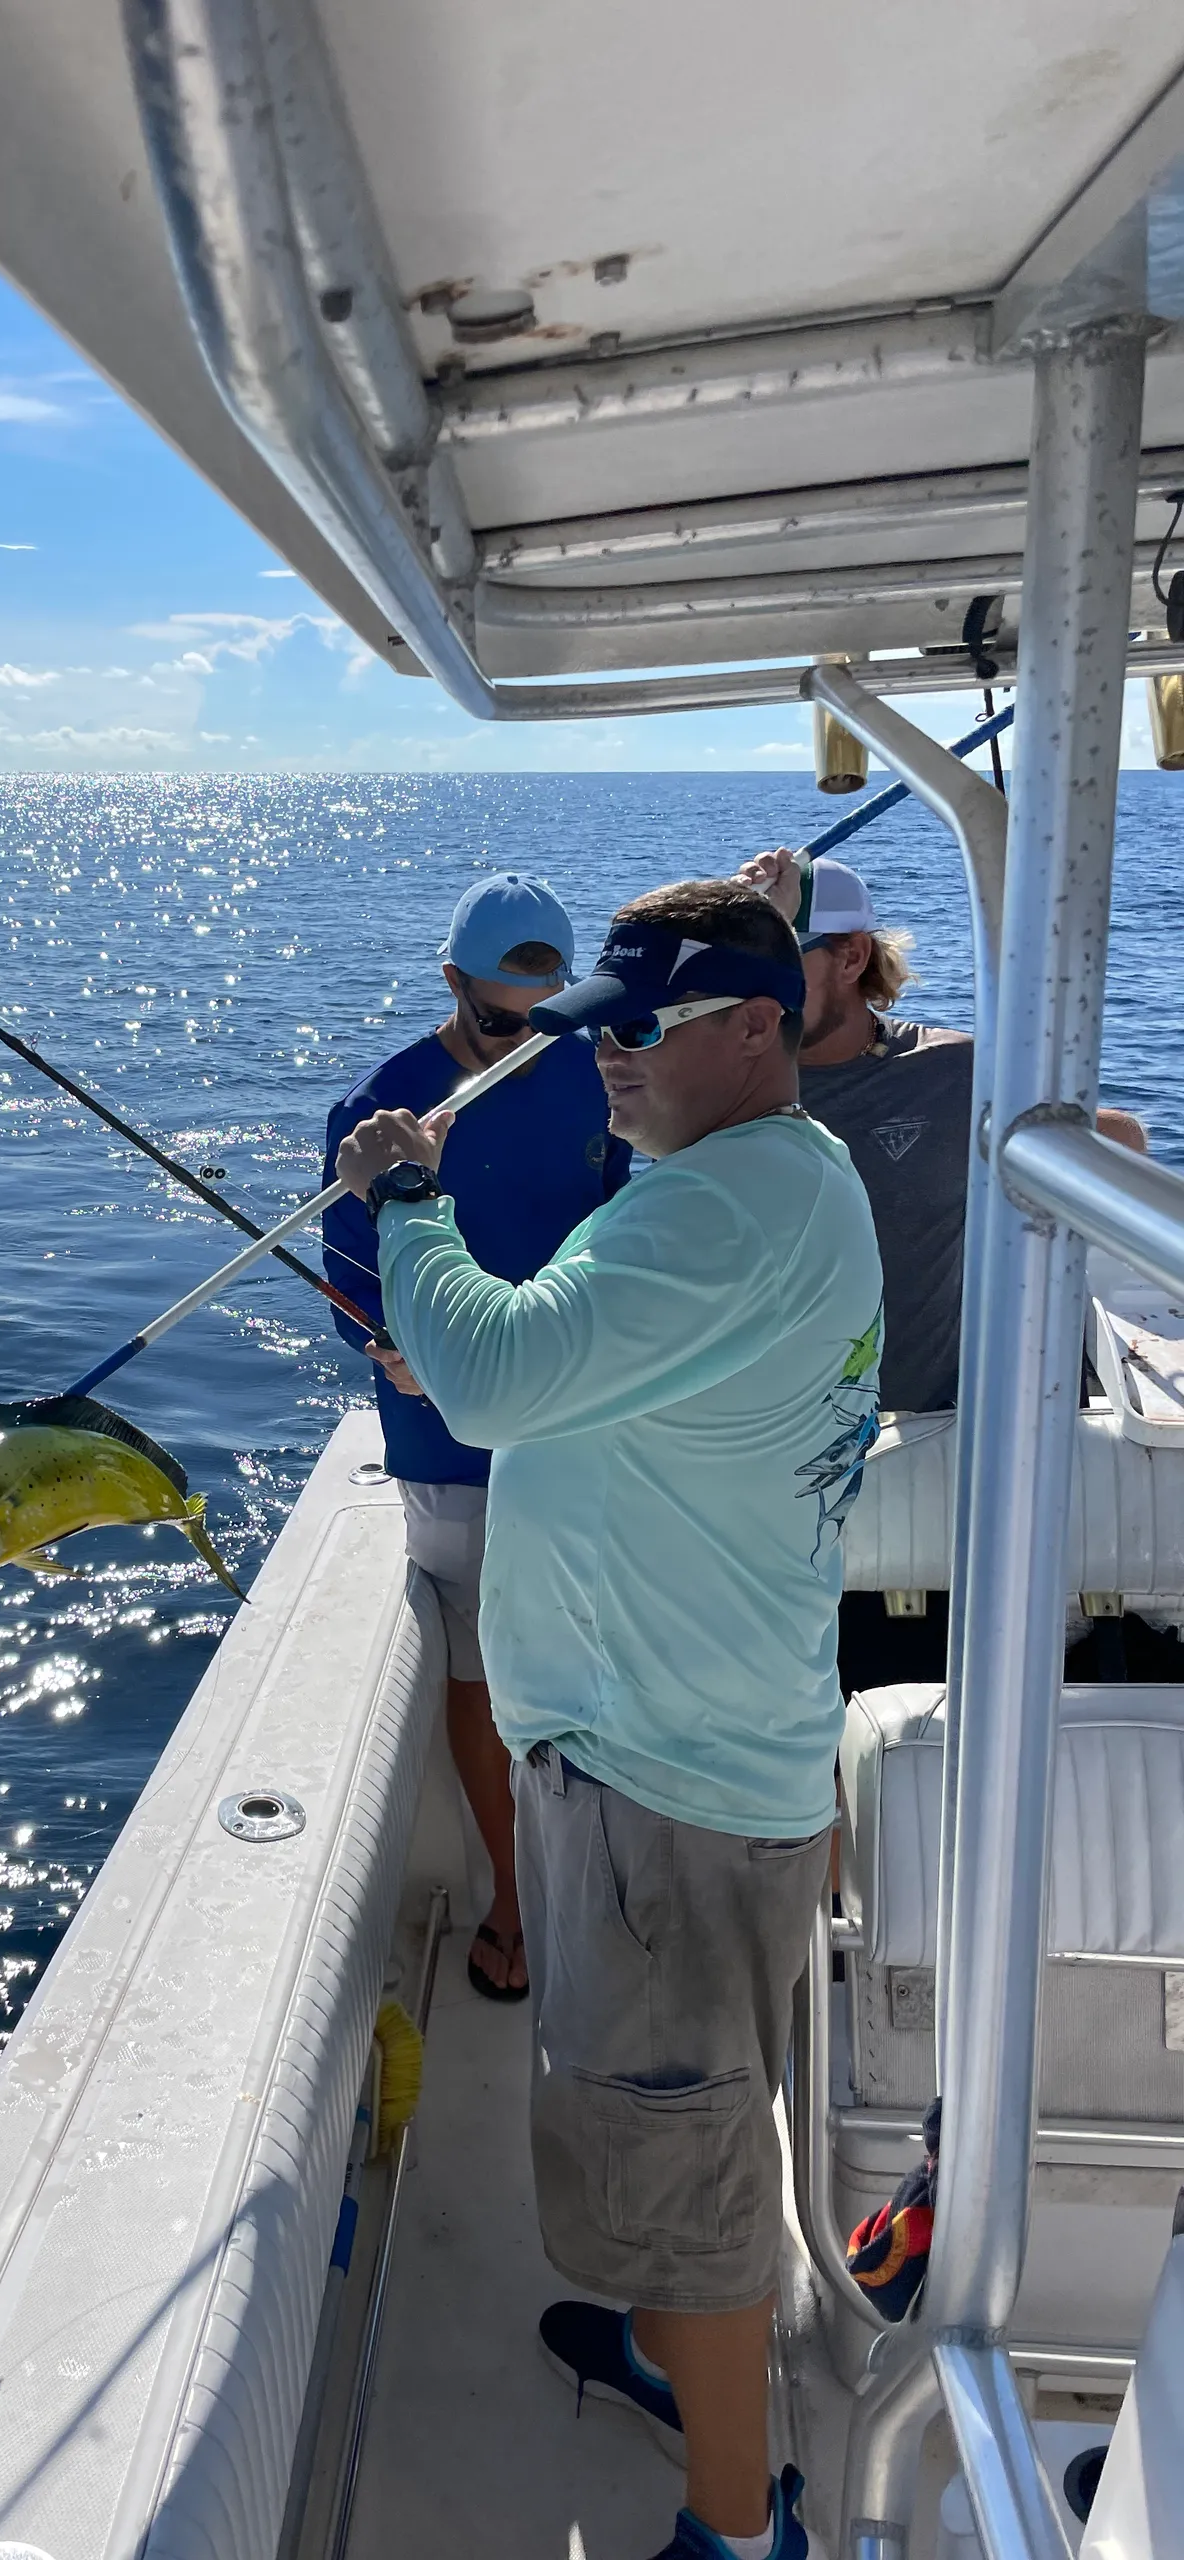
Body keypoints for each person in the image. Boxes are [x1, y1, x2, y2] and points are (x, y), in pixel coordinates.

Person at [337, 880, 880, 2560]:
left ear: (759, 1027)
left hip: (666, 1784)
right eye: (592, 1031)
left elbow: (501, 1377)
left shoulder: (716, 1213)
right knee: (670, 2135)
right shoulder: (765, 1178)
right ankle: (661, 2356)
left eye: (640, 1030)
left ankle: (739, 2525)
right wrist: (475, 1335)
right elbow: (578, 1375)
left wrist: (410, 1205)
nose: (607, 1063)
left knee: (688, 2172)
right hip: (683, 1747)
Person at [323, 873, 629, 2000]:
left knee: (602, 1660)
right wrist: (390, 1343)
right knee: (482, 1672)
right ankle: (513, 1893)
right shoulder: (383, 1108)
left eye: (549, 1015)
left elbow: (628, 1223)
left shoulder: (603, 1071)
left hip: (590, 1422)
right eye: (501, 1018)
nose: (528, 1037)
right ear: (452, 982)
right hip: (453, 1445)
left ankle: (607, 1890)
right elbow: (351, 1283)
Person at [739, 848, 1148, 1687]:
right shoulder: (735, 1087)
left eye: (781, 957)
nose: (758, 989)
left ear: (852, 957)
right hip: (784, 1466)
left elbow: (1122, 1144)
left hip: (938, 1459)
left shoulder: (955, 1071)